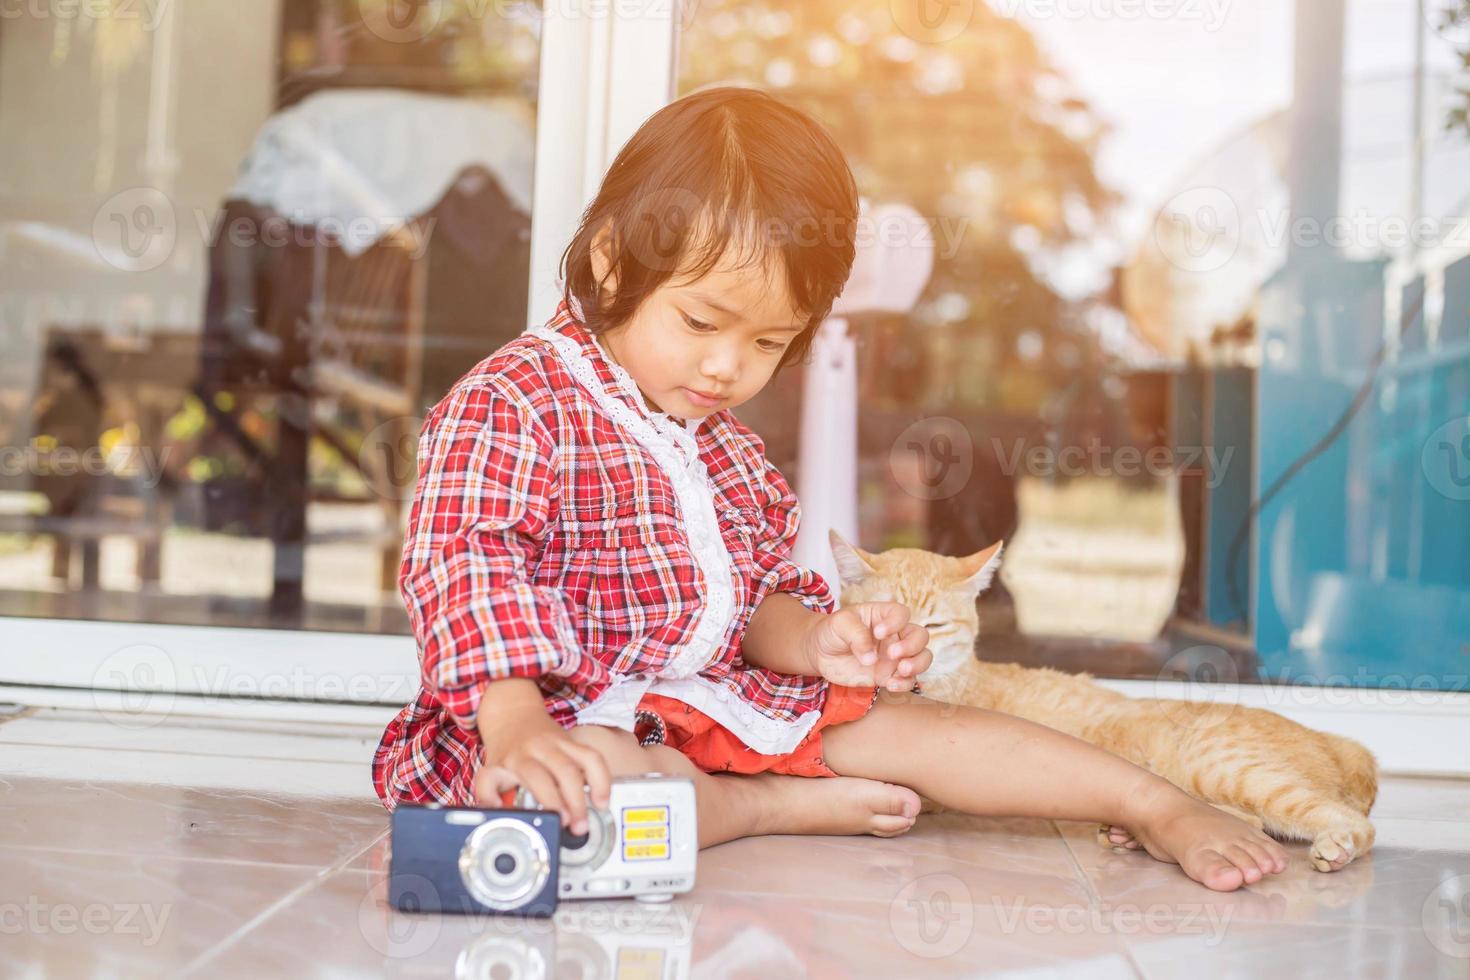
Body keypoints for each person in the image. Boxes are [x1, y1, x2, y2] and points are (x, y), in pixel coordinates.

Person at [372, 86, 1288, 892]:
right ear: (613, 263)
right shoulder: (512, 403)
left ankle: (1153, 803)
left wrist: (821, 644)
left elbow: (751, 612)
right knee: (599, 787)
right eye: (702, 321)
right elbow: (467, 566)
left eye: (770, 342)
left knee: (915, 727)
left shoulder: (726, 452)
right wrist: (517, 723)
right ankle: (762, 809)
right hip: (560, 723)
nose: (729, 365)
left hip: (708, 703)